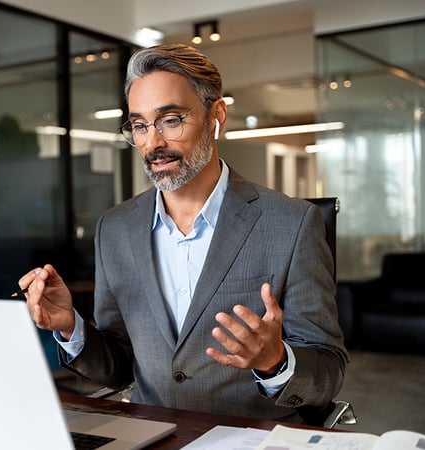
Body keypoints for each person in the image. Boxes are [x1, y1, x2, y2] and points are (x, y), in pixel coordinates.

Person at [18, 44, 347, 421]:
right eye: (140, 125)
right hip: (151, 435)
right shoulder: (115, 229)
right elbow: (120, 365)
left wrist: (275, 361)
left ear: (215, 116)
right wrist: (71, 326)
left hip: (251, 439)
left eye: (170, 120)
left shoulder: (292, 223)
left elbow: (329, 371)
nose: (153, 143)